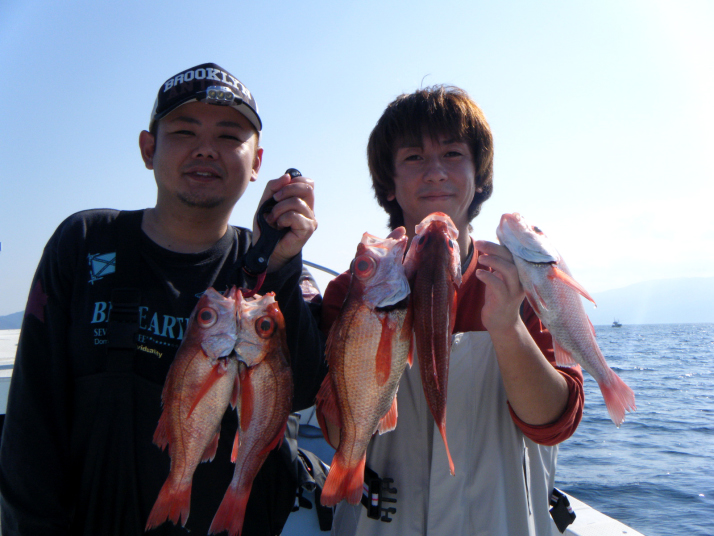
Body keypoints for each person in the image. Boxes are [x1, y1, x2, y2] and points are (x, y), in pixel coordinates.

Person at [0, 63, 327, 536]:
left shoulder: (273, 266)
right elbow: (31, 424)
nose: (205, 149)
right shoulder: (85, 242)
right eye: (183, 131)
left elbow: (303, 393)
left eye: (229, 136)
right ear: (148, 149)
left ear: (257, 162)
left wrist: (278, 267)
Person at [319, 85, 585, 535]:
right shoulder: (352, 291)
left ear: (479, 177)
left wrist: (507, 327)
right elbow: (334, 428)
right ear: (389, 183)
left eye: (453, 154)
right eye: (413, 157)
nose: (435, 172)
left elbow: (555, 423)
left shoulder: (526, 282)